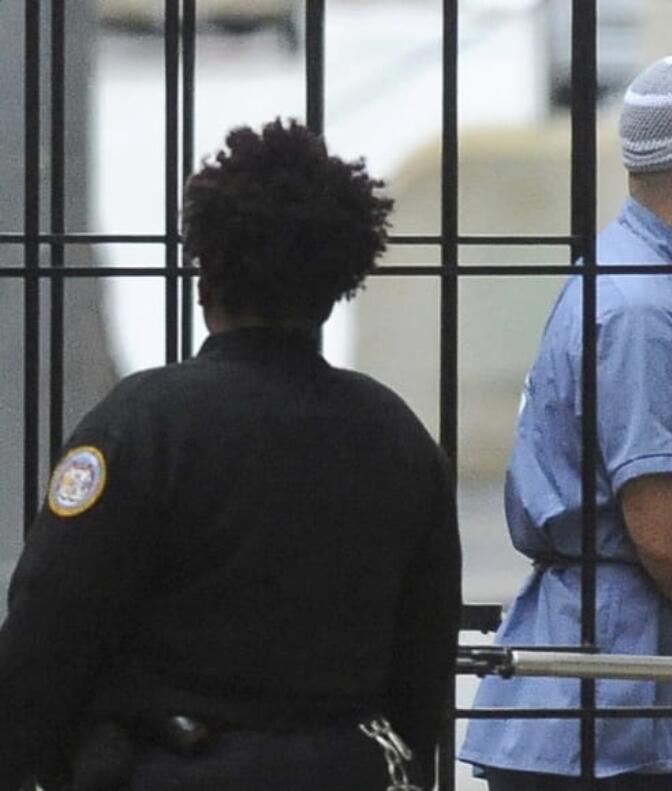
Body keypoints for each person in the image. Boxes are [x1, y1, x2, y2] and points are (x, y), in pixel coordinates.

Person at [0, 119, 461, 791]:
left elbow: (46, 640)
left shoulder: (142, 428)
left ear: (204, 278)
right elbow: (423, 666)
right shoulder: (399, 437)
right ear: (338, 284)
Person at [460, 52, 672, 790]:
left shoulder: (641, 281)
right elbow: (671, 538)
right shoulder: (648, 310)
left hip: (611, 697)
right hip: (627, 713)